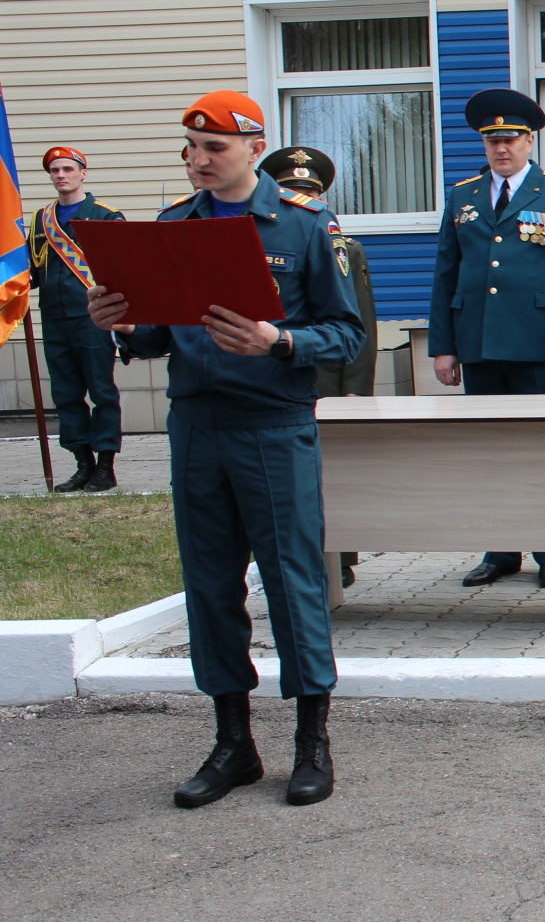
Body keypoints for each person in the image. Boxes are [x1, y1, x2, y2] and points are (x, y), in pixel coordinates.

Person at [87, 90, 363, 808]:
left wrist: (281, 339)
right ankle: (233, 741)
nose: (197, 159)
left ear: (250, 146)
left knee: (292, 580)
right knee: (210, 584)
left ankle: (311, 741)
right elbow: (157, 335)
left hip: (273, 424)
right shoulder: (176, 226)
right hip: (197, 427)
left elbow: (346, 332)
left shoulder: (303, 226)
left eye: (212, 148)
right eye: (189, 146)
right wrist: (118, 321)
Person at [426, 89, 545, 590]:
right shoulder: (463, 196)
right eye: (493, 140)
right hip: (478, 343)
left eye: (511, 139)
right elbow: (445, 272)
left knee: (543, 450)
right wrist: (443, 345)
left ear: (530, 140)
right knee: (492, 450)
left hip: (539, 345)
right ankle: (500, 549)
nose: (502, 149)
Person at [261, 145, 376, 589]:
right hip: (280, 379)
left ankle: (341, 558)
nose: (301, 200)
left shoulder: (346, 248)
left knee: (335, 475)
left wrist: (356, 389)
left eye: (309, 193)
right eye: (291, 191)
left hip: (329, 381)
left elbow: (360, 323)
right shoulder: (260, 241)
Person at [27, 146, 123, 491]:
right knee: (66, 394)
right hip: (54, 318)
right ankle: (83, 463)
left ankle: (106, 466)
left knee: (101, 391)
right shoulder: (41, 220)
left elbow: (124, 269)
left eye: (68, 169)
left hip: (93, 318)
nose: (61, 175)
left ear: (84, 173)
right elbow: (31, 272)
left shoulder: (105, 216)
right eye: (54, 170)